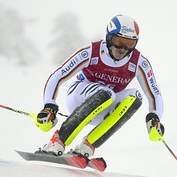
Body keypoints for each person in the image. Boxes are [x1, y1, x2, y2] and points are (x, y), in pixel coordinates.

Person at [35, 14, 164, 158]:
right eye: (118, 41)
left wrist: (154, 117)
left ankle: (88, 145)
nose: (122, 48)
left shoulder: (139, 62)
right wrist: (49, 105)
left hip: (105, 108)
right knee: (107, 93)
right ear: (109, 38)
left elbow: (154, 94)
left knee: (135, 96)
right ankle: (58, 140)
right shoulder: (91, 52)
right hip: (78, 97)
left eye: (129, 44)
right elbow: (58, 76)